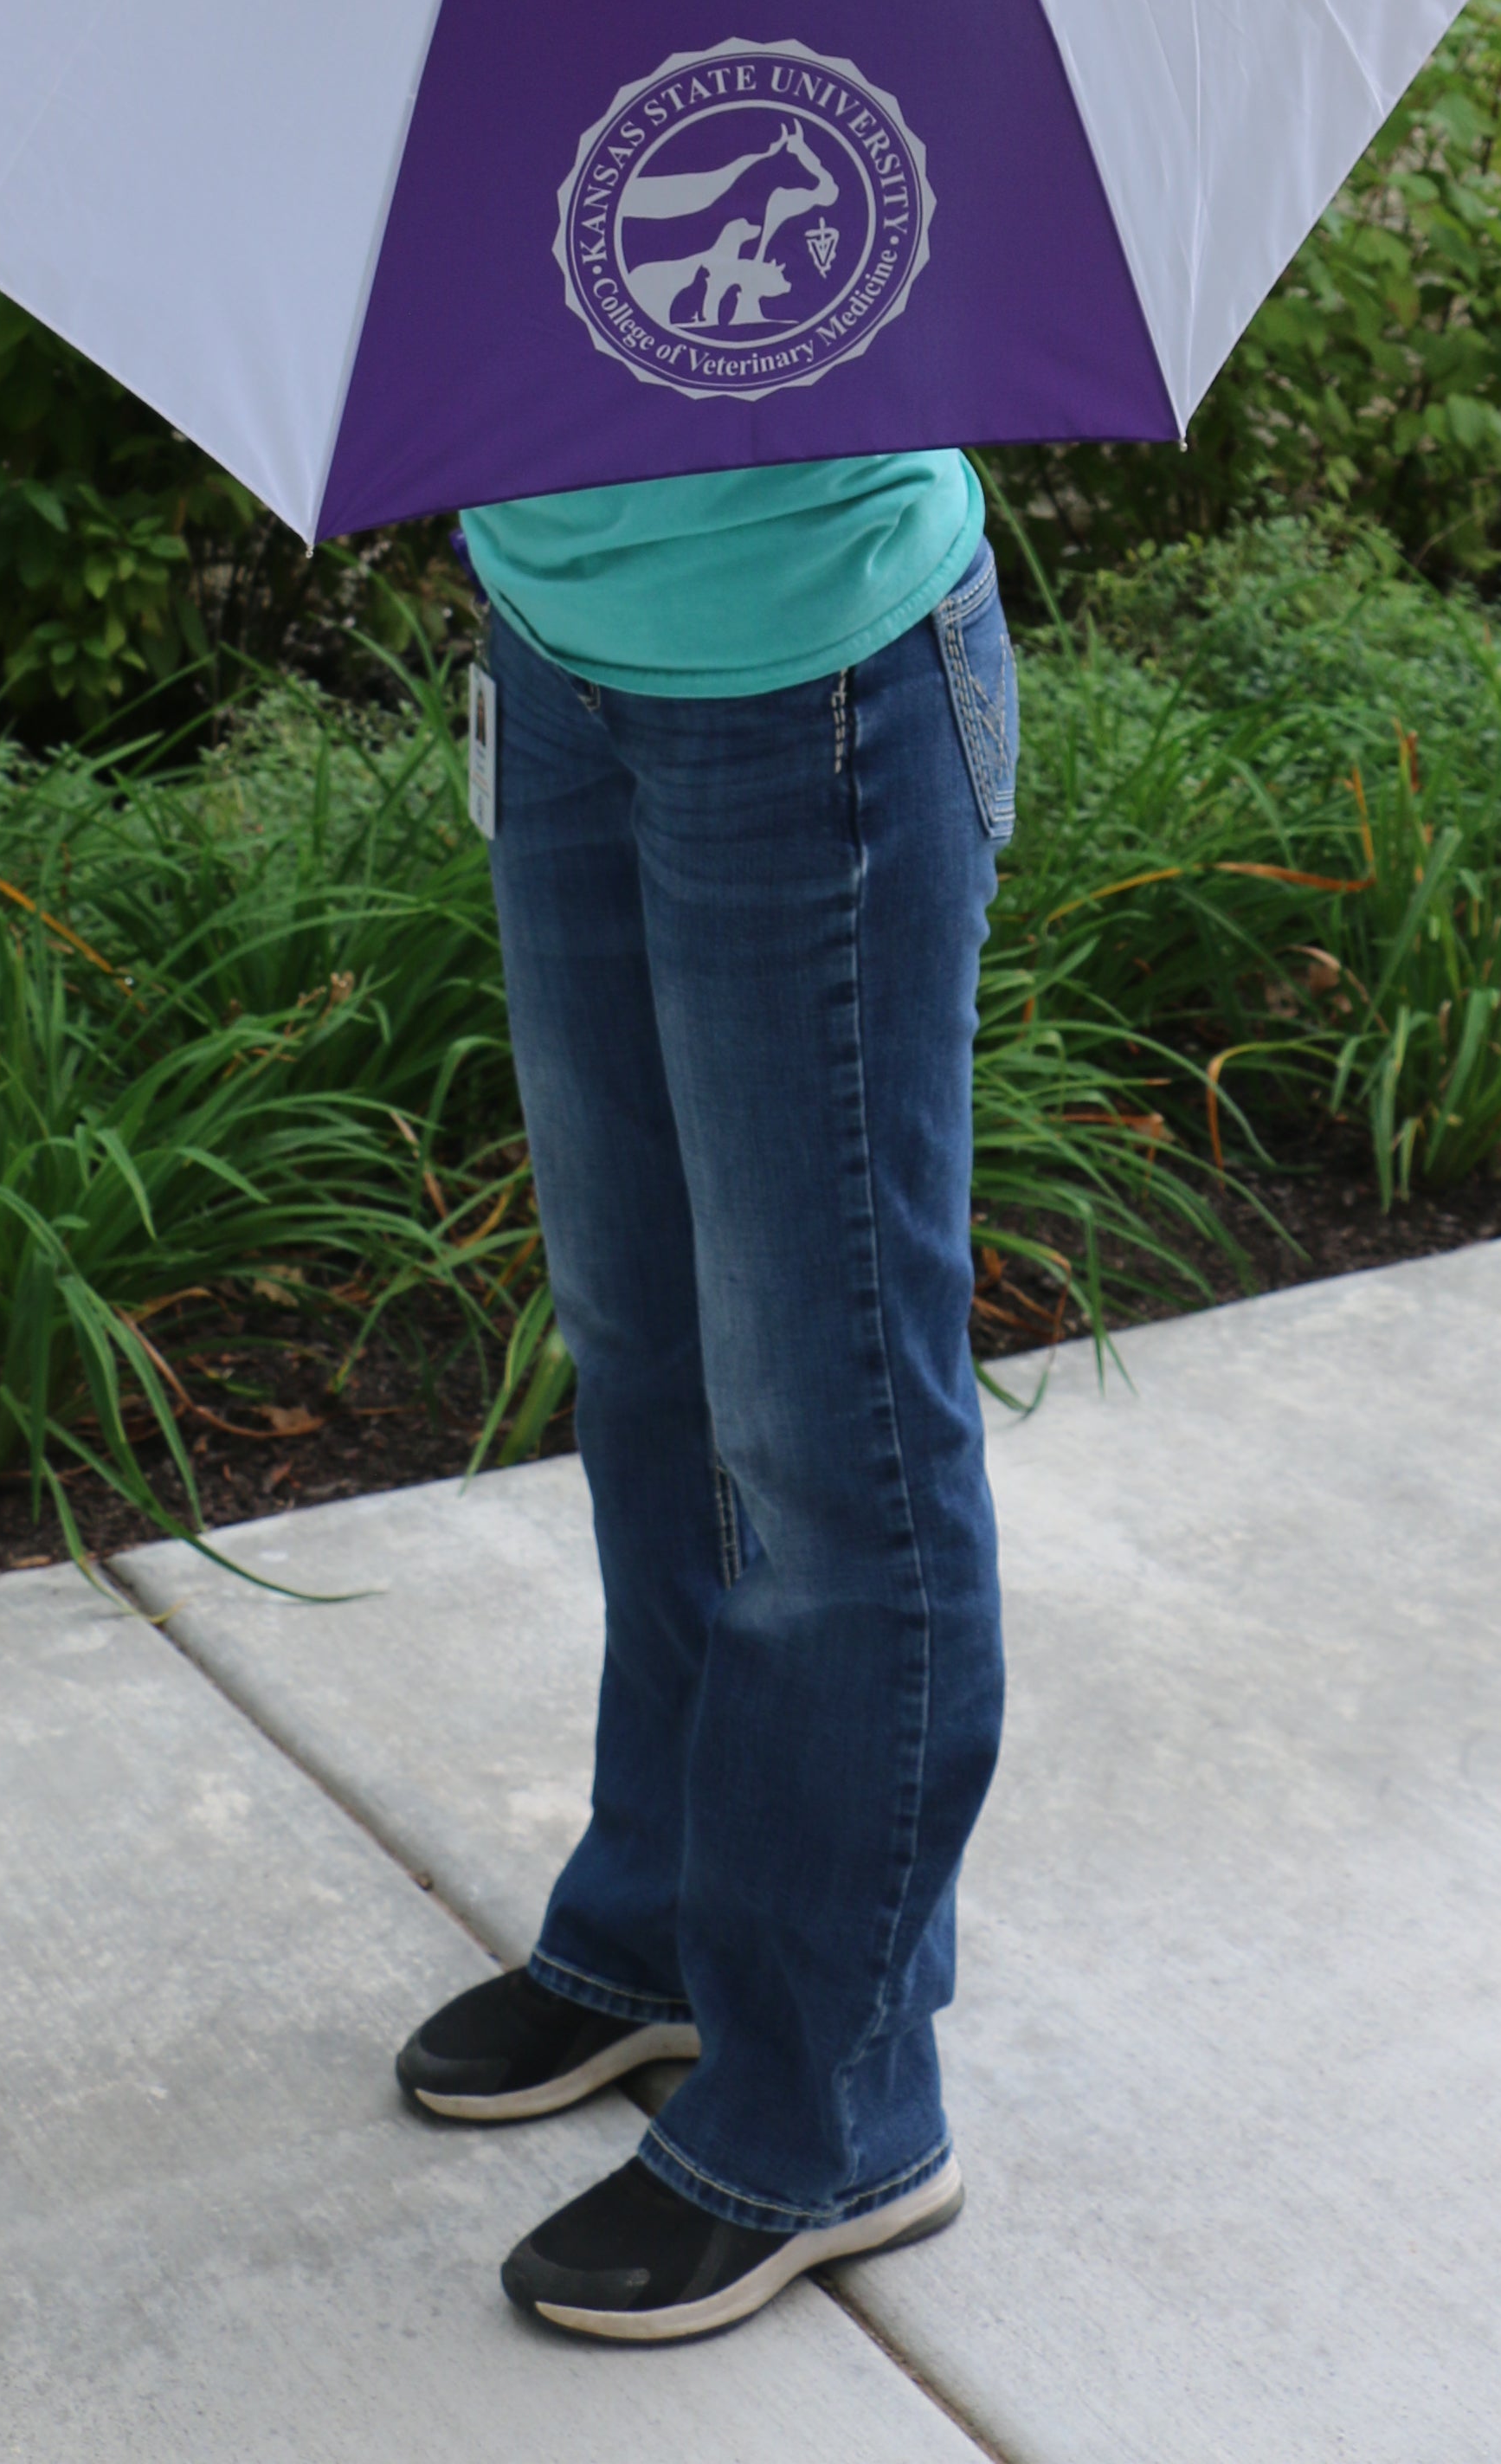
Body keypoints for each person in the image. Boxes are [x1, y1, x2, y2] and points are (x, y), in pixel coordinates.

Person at [393, 446, 1019, 2345]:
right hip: (556, 648)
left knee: (832, 1433)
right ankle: (664, 1921)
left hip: (813, 671)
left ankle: (838, 2101)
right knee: (647, 1364)